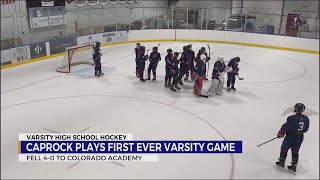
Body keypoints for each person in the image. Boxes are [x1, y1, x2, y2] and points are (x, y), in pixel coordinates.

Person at [276, 103, 310, 173]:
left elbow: (286, 126)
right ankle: (294, 165)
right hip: (300, 137)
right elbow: (306, 129)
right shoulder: (306, 118)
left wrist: (281, 132)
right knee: (295, 150)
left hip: (291, 136)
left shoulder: (291, 118)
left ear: (295, 109)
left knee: (284, 148)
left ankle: (282, 162)